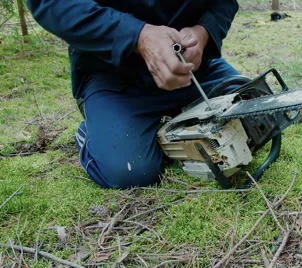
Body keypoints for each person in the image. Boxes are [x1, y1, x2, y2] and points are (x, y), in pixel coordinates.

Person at [26, 1, 241, 189]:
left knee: (260, 110)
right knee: (129, 171)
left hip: (192, 69)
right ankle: (94, 132)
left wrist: (203, 32)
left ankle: (172, 119)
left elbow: (224, 2)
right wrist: (137, 36)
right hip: (113, 75)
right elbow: (50, 3)